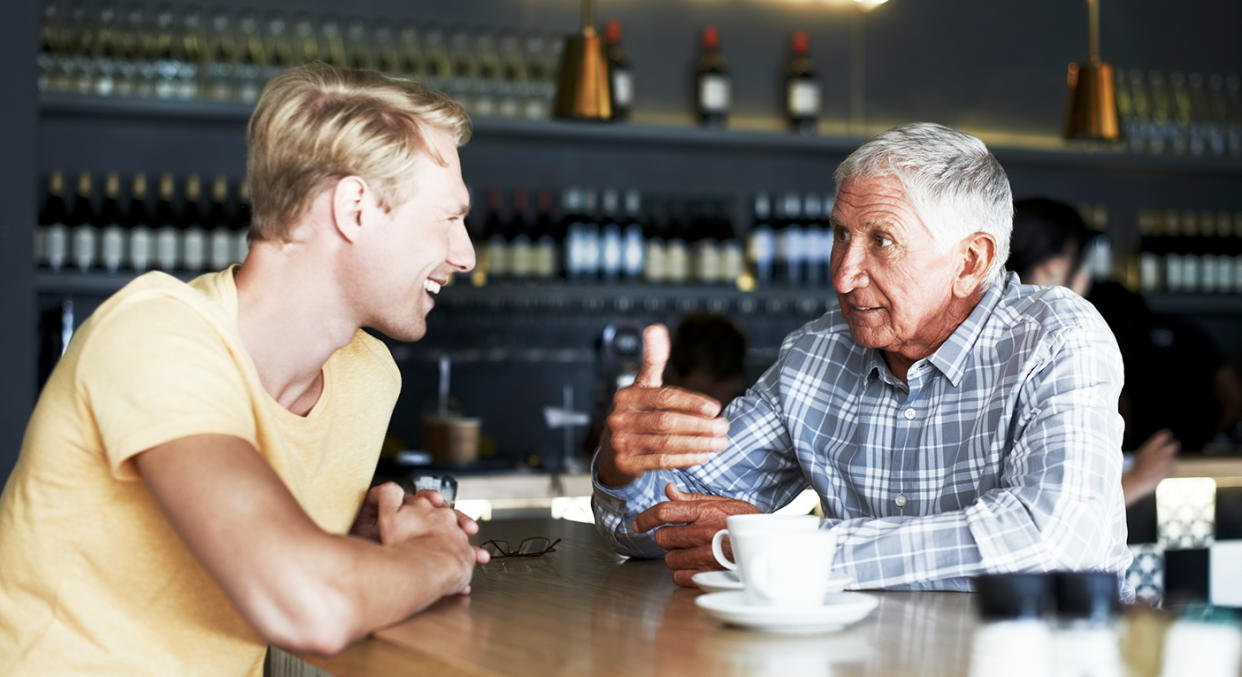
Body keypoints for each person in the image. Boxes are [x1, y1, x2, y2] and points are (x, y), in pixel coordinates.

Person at [0, 63, 487, 674]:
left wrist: (356, 547)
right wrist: (440, 558)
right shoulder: (157, 334)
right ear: (356, 208)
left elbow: (283, 578)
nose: (465, 255)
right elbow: (309, 605)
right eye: (448, 218)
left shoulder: (368, 377)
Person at [592, 122, 1132, 590]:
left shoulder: (1056, 335)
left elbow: (1054, 542)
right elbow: (663, 525)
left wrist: (786, 550)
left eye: (882, 242)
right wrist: (625, 465)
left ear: (971, 260)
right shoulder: (816, 354)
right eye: (841, 235)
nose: (844, 275)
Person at [1008, 197, 1186, 506]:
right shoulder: (1064, 347)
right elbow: (1061, 516)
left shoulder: (972, 337)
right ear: (1054, 270)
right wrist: (1137, 481)